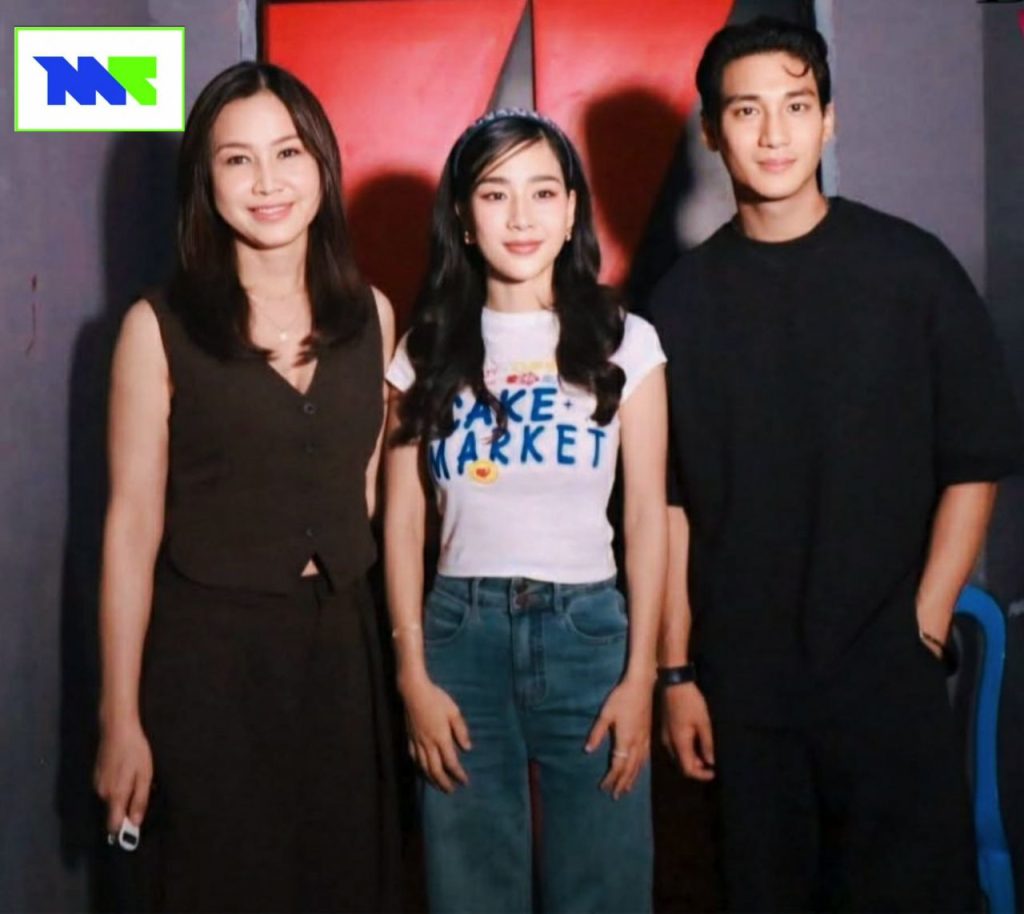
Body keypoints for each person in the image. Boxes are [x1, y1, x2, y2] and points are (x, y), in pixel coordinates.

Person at [650, 16, 1024, 913]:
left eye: (796, 105)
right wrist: (676, 674)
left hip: (886, 676)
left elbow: (973, 462)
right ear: (713, 132)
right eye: (746, 110)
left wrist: (923, 627)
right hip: (745, 691)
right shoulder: (679, 305)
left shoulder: (911, 270)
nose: (774, 133)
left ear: (830, 120)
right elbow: (669, 506)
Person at [92, 61, 400, 913]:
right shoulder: (156, 329)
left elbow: (365, 495)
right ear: (206, 179)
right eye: (238, 159)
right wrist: (121, 717)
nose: (268, 182)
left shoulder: (373, 316)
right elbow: (130, 529)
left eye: (288, 152)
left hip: (342, 659)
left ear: (322, 164)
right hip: (210, 664)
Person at [383, 109, 667, 913]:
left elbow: (648, 517)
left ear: (572, 210)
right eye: (494, 193)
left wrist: (640, 676)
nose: (520, 216)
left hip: (590, 638)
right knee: (469, 892)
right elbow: (400, 520)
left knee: (605, 891)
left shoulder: (627, 341)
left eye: (543, 192)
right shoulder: (424, 348)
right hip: (458, 638)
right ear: (463, 217)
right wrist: (411, 674)